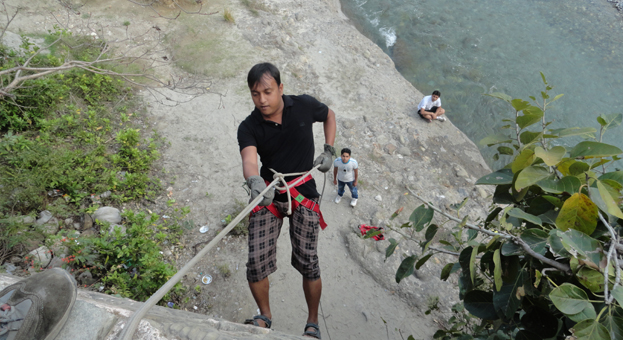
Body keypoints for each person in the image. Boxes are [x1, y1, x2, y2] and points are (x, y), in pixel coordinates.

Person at [237, 62, 336, 339]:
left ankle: (313, 322)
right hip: (268, 191)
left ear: (281, 88)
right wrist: (255, 182)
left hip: (302, 191)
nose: (262, 100)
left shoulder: (303, 106)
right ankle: (265, 316)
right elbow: (249, 158)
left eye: (268, 92)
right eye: (255, 94)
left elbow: (329, 114)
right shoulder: (249, 126)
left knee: (308, 261)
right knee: (256, 262)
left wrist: (329, 148)